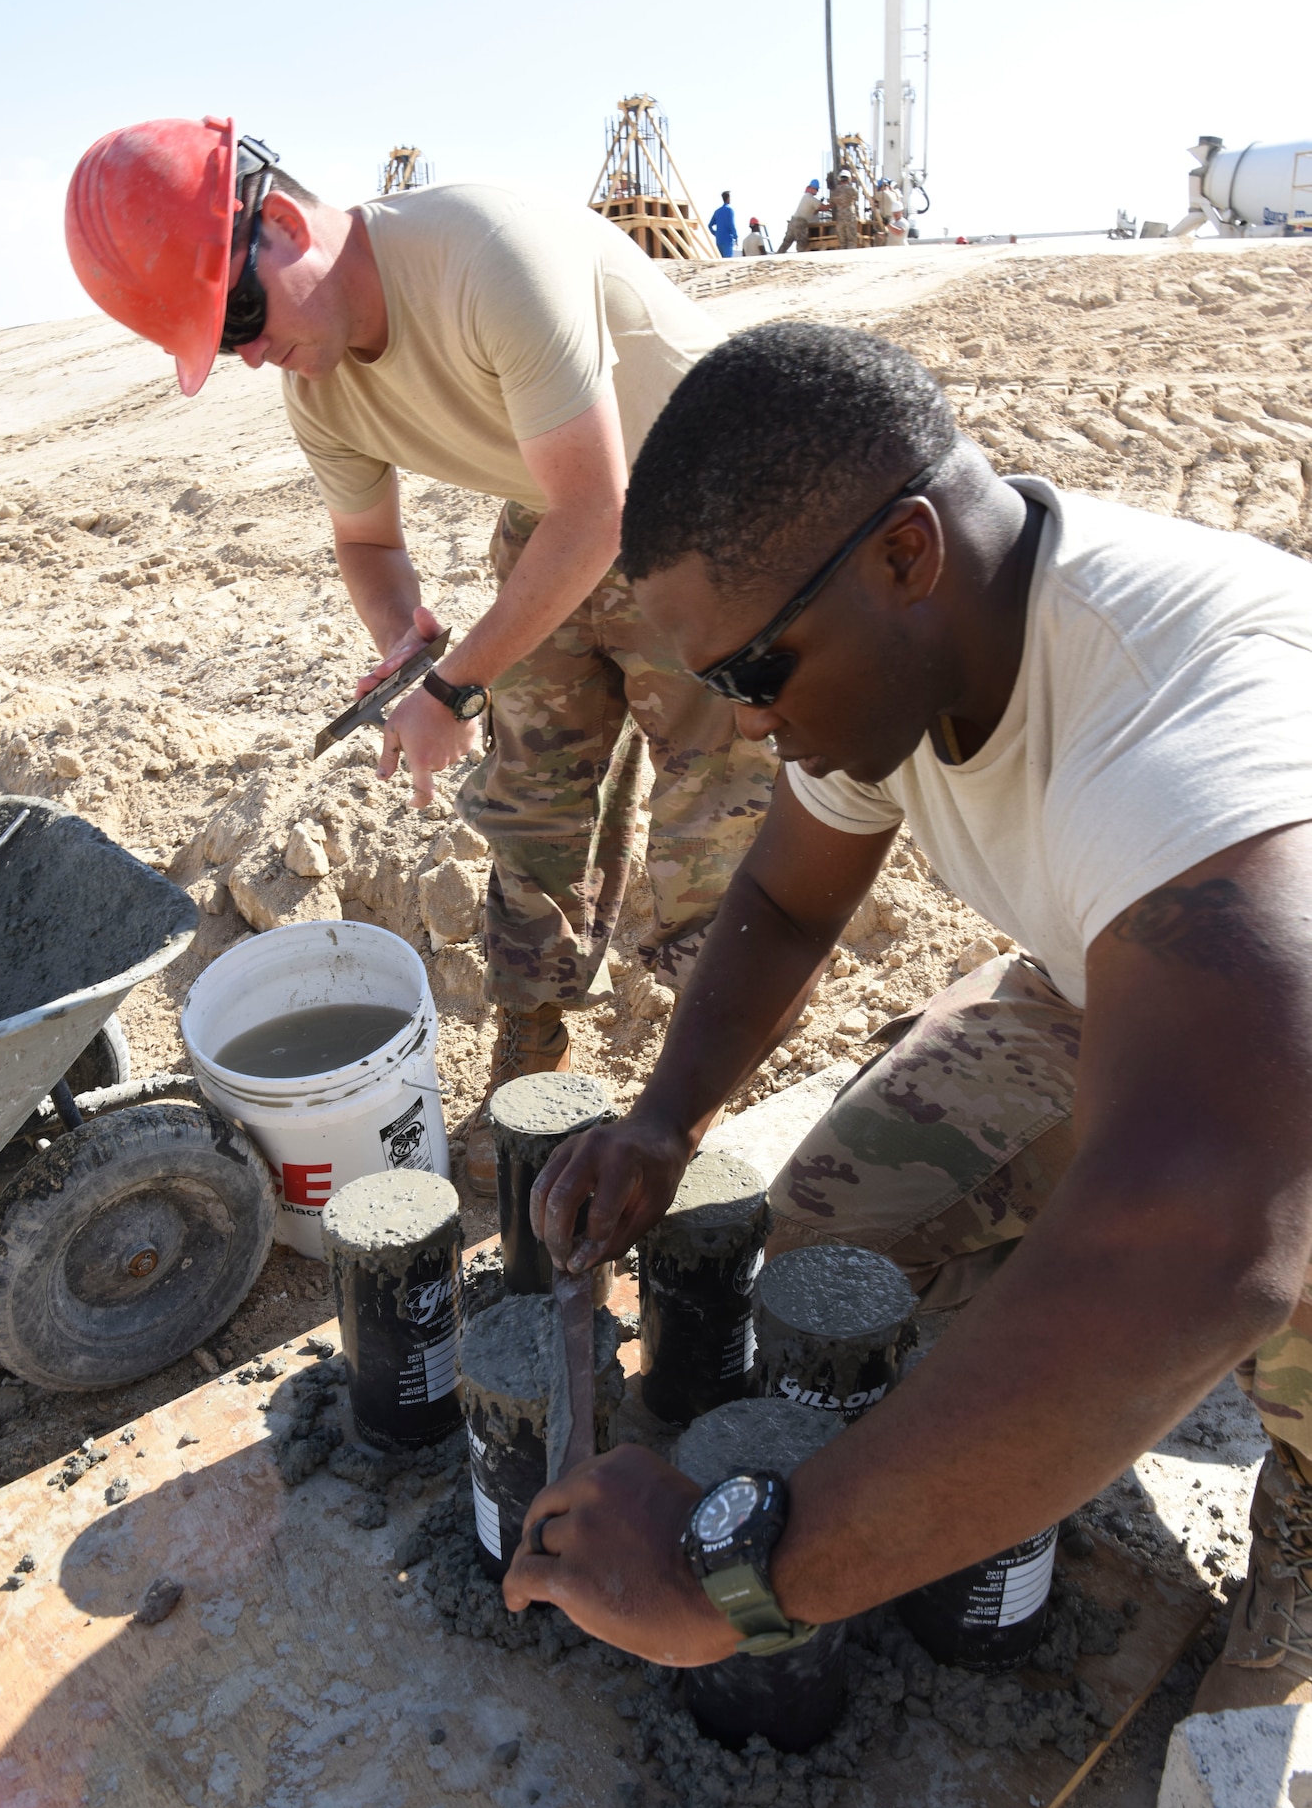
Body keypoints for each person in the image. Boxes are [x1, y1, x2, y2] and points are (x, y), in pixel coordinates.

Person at [505, 323, 1312, 1712]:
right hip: (1106, 989)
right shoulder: (905, 657)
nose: (747, 727)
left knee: (1216, 1269)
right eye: (718, 688)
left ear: (902, 555)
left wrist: (734, 1585)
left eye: (755, 676)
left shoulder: (1182, 728)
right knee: (827, 1255)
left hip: (1276, 1074)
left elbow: (1212, 1241)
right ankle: (1026, 1399)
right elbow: (790, 898)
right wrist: (657, 1122)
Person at [64, 119, 776, 1195]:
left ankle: (697, 1106)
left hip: (710, 515)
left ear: (287, 224)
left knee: (707, 834)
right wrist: (409, 634)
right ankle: (534, 1064)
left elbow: (602, 510)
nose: (249, 352)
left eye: (241, 314)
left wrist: (454, 686)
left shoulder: (488, 258)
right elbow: (369, 542)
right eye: (221, 344)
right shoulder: (319, 386)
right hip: (556, 518)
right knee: (530, 808)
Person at [776, 180, 822, 254]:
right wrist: (833, 204)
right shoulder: (810, 198)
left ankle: (777, 256)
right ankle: (800, 258)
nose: (817, 191)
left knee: (786, 243)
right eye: (816, 189)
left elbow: (814, 211)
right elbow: (823, 207)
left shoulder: (806, 197)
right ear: (811, 188)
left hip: (793, 222)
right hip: (800, 223)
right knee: (801, 244)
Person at [827, 171, 860, 251]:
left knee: (842, 243)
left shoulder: (834, 192)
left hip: (840, 218)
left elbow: (831, 202)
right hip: (850, 217)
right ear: (849, 179)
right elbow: (857, 198)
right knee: (851, 241)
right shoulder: (852, 189)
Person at [708, 191, 739, 259]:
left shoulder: (717, 211)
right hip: (727, 239)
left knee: (721, 260)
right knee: (728, 261)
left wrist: (715, 233)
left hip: (719, 239)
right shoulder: (729, 210)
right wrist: (736, 237)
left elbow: (709, 225)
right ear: (728, 198)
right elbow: (732, 225)